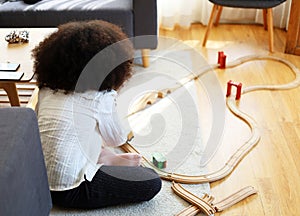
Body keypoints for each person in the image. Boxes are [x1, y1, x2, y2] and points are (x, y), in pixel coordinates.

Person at [32, 20, 162, 209]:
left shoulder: (45, 89)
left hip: (38, 179)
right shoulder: (100, 98)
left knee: (85, 132)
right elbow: (116, 138)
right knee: (151, 181)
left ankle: (102, 159)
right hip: (70, 190)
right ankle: (101, 161)